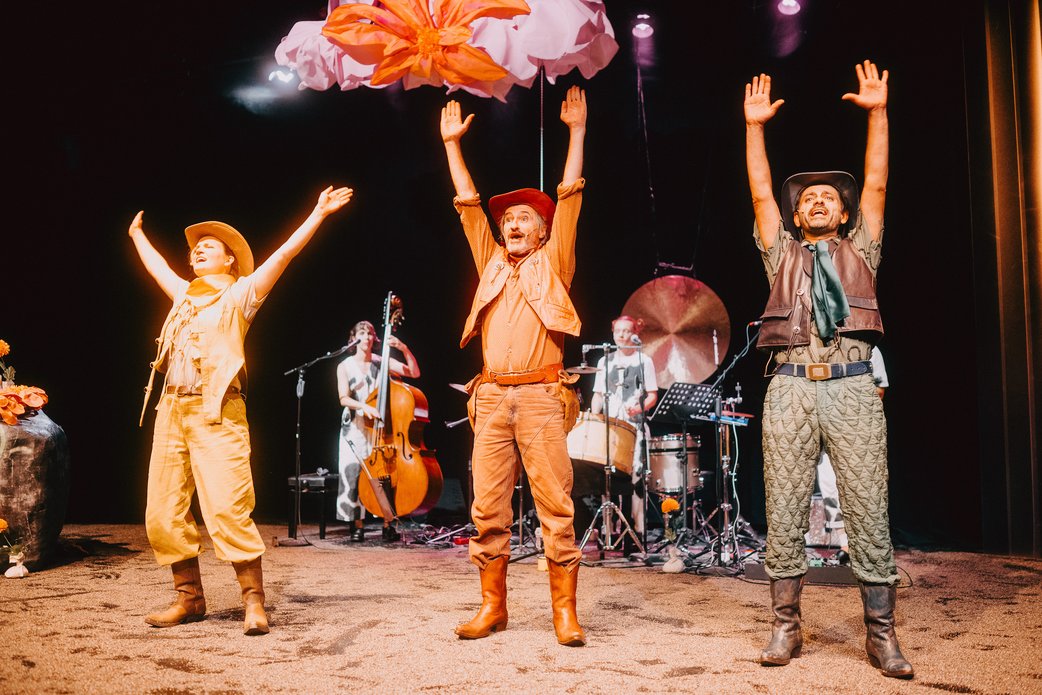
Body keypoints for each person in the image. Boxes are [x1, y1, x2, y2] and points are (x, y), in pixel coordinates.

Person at [744, 61, 913, 678]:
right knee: (783, 507)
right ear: (797, 218)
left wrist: (878, 113)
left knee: (869, 505)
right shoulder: (781, 252)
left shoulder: (860, 249)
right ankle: (785, 627)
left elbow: (877, 182)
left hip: (852, 387)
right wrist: (753, 129)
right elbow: (762, 192)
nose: (817, 202)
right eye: (807, 199)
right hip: (789, 388)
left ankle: (881, 635)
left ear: (842, 216)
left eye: (827, 199)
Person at [129, 185, 354, 636]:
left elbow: (285, 255)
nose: (197, 252)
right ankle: (189, 598)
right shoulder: (184, 297)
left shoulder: (241, 295)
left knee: (229, 508)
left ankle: (254, 602)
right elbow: (159, 269)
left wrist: (317, 213)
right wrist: (137, 236)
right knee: (163, 510)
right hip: (171, 410)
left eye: (208, 247)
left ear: (230, 259)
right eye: (194, 248)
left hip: (217, 412)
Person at [440, 85, 588, 646]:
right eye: (510, 220)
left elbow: (570, 196)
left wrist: (576, 133)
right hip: (492, 398)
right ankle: (492, 607)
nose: (514, 223)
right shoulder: (490, 262)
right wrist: (453, 146)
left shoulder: (555, 260)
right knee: (485, 507)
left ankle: (564, 614)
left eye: (525, 217)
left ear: (544, 231)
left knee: (555, 505)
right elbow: (468, 206)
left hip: (541, 398)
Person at [336, 320, 420, 542]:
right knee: (353, 473)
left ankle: (388, 523)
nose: (367, 337)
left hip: (382, 429)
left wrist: (403, 348)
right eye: (362, 333)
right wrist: (364, 406)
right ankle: (357, 525)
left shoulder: (381, 362)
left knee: (384, 476)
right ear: (354, 338)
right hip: (355, 426)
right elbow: (343, 398)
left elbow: (413, 372)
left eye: (371, 333)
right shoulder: (344, 365)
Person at [589, 315, 658, 547]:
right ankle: (609, 530)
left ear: (634, 333)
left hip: (635, 426)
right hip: (610, 428)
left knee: (636, 478)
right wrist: (593, 419)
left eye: (626, 331)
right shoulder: (604, 362)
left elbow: (652, 395)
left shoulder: (644, 360)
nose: (621, 335)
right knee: (607, 477)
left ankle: (636, 530)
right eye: (617, 331)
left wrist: (637, 408)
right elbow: (598, 395)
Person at [812, 346, 888, 555]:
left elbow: (879, 390)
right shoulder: (819, 348)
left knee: (861, 487)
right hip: (825, 425)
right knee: (829, 484)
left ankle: (866, 543)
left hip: (854, 427)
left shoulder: (870, 348)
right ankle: (844, 543)